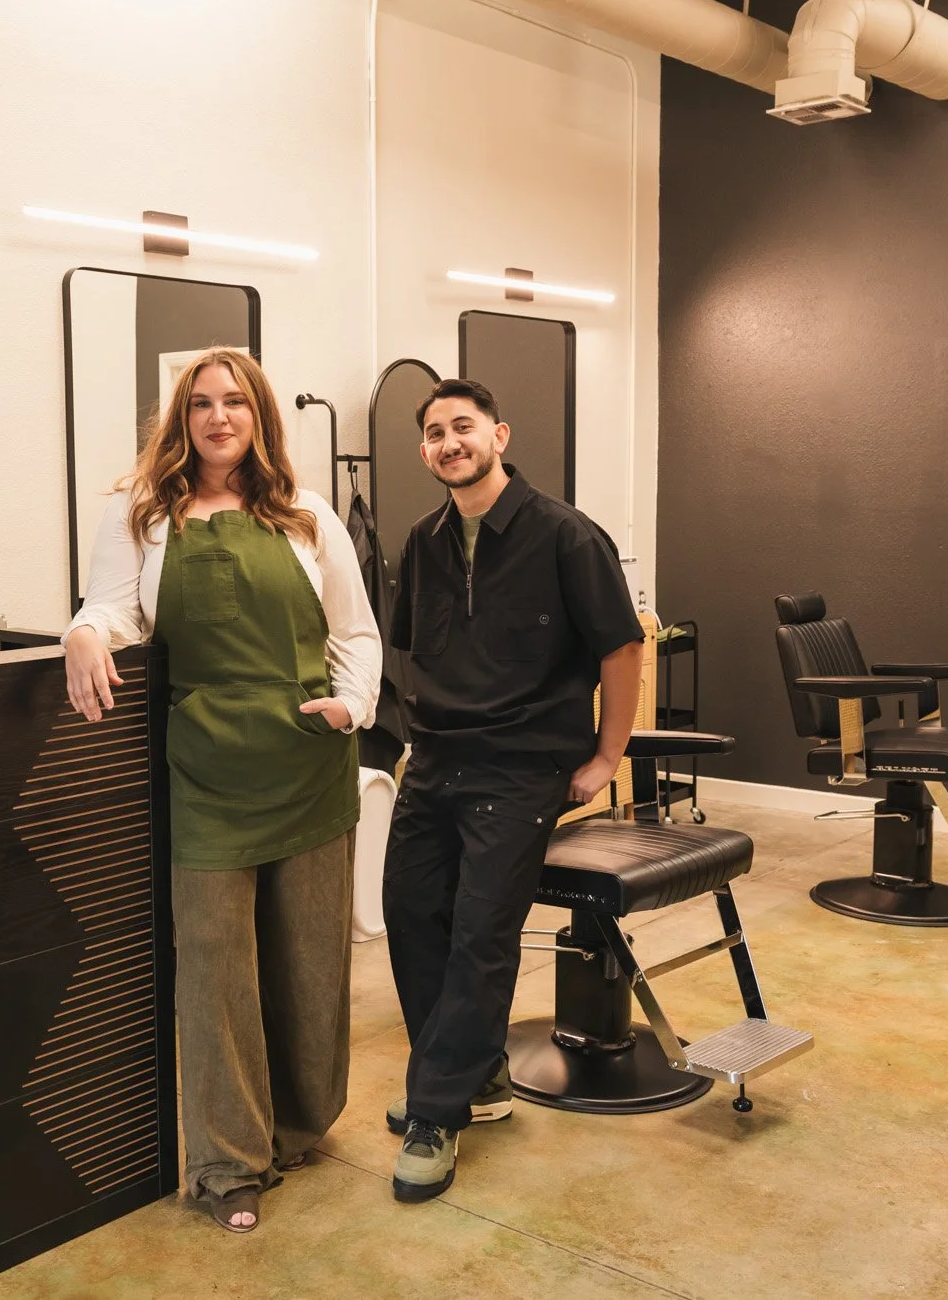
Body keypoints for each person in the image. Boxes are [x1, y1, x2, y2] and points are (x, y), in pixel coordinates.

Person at [63, 348, 381, 1234]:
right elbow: (113, 608)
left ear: (259, 414)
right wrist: (83, 633)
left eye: (234, 401)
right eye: (201, 403)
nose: (217, 417)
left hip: (307, 759)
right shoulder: (141, 513)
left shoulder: (309, 515)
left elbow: (356, 633)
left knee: (308, 960)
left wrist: (352, 705)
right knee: (213, 967)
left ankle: (300, 1123)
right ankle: (227, 1163)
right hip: (205, 770)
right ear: (181, 418)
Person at [381, 378, 645, 1203]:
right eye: (435, 432)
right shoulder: (422, 541)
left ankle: (436, 1111)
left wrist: (607, 755)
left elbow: (622, 648)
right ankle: (475, 1075)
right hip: (435, 762)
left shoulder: (566, 535)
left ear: (499, 434)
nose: (449, 442)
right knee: (411, 913)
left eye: (463, 426)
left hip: (522, 766)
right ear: (424, 451)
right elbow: (412, 650)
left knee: (478, 931)